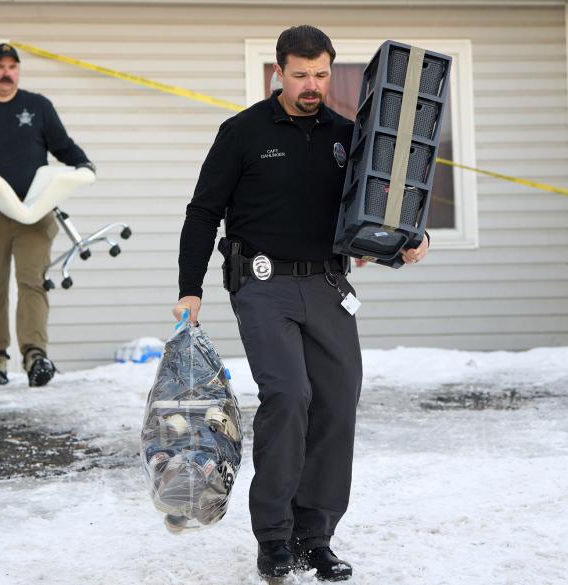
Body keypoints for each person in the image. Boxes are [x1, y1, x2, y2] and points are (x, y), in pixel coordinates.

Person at [172, 25, 429, 581]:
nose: (312, 85)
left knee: (337, 402)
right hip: (261, 284)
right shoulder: (241, 132)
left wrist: (408, 241)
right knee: (289, 395)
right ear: (278, 73)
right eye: (300, 75)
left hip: (328, 286)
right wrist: (188, 289)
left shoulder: (349, 135)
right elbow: (202, 213)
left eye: (321, 74)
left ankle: (317, 537)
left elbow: (375, 207)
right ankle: (273, 537)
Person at [0, 43, 95, 387]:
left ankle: (35, 357)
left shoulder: (38, 107)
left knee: (32, 282)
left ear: (18, 71)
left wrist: (83, 165)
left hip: (34, 211)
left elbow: (63, 146)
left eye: (12, 66)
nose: (6, 72)